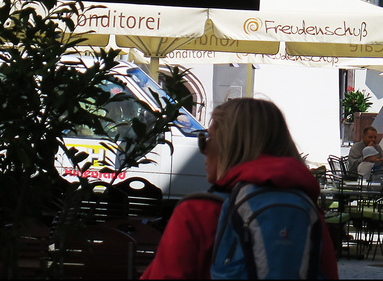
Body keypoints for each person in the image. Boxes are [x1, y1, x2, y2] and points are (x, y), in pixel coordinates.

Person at [143, 97, 338, 279]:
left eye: (206, 140)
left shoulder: (198, 212)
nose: (203, 151)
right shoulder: (305, 211)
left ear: (226, 147)